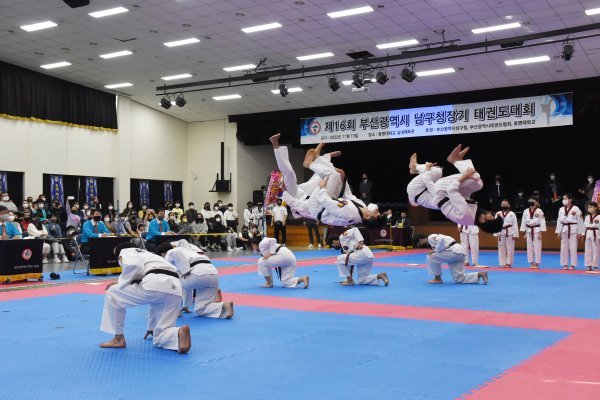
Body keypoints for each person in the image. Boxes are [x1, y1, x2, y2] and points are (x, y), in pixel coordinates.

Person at [99, 243, 191, 354]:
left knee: (112, 293)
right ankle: (177, 334)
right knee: (160, 333)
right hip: (176, 288)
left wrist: (119, 282)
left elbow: (134, 266)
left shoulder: (125, 251)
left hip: (155, 283)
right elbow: (141, 273)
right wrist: (150, 327)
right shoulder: (150, 255)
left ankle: (118, 338)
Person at [407, 145, 503, 234]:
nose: (491, 214)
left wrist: (465, 175)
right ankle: (415, 168)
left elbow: (450, 190)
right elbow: (463, 196)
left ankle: (453, 160)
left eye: (492, 217)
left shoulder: (467, 214)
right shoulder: (474, 215)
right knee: (478, 183)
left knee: (474, 177)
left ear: (484, 221)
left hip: (419, 190)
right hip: (436, 192)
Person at [156, 240, 234, 318]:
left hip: (198, 274)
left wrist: (185, 271)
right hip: (213, 274)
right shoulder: (189, 251)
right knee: (200, 309)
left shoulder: (171, 252)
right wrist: (185, 306)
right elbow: (186, 285)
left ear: (162, 254)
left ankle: (175, 310)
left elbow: (177, 253)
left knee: (172, 281)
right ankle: (224, 305)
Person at [556, 193, 583, 270]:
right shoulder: (561, 209)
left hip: (573, 229)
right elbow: (559, 221)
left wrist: (580, 232)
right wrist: (558, 231)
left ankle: (572, 264)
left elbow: (580, 221)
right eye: (563, 199)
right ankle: (564, 264)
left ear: (570, 199)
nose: (564, 200)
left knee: (573, 247)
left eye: (565, 198)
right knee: (564, 247)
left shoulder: (576, 209)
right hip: (564, 229)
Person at [520, 198, 546, 269]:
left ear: (536, 202)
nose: (531, 202)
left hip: (537, 230)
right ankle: (531, 263)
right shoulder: (525, 211)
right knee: (529, 248)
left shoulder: (539, 211)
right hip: (528, 231)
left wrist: (541, 233)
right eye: (530, 201)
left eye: (533, 201)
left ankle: (537, 263)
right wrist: (524, 233)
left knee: (537, 247)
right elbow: (523, 222)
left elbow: (542, 222)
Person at [493, 199, 519, 268]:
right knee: (501, 247)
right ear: (501, 205)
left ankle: (509, 263)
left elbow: (515, 224)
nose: (504, 205)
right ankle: (503, 262)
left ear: (509, 205)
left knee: (510, 248)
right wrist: (496, 233)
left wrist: (515, 234)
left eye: (505, 204)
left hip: (510, 231)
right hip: (501, 232)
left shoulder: (512, 214)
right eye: (503, 204)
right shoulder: (498, 213)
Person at [580, 202, 600, 271]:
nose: (589, 208)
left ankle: (595, 265)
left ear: (596, 208)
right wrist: (583, 235)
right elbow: (584, 226)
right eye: (588, 207)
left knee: (596, 250)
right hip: (588, 234)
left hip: (596, 234)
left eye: (591, 207)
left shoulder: (599, 217)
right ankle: (588, 265)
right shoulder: (587, 217)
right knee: (588, 250)